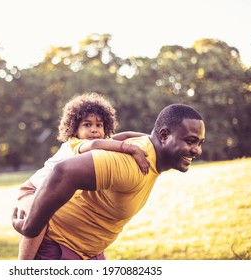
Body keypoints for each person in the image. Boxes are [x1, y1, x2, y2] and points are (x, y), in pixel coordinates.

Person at [12, 103, 205, 260]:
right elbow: (63, 171)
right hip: (40, 203)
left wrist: (148, 138)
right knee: (35, 227)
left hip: (86, 251)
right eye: (190, 141)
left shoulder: (140, 149)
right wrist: (30, 226)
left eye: (199, 143)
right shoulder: (126, 162)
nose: (197, 150)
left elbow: (125, 135)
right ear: (163, 135)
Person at [16, 92, 149, 259]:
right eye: (87, 125)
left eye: (99, 125)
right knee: (37, 221)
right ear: (74, 129)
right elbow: (96, 144)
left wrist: (153, 141)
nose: (94, 129)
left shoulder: (100, 142)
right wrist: (130, 148)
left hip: (51, 191)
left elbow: (126, 135)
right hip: (33, 191)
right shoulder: (77, 144)